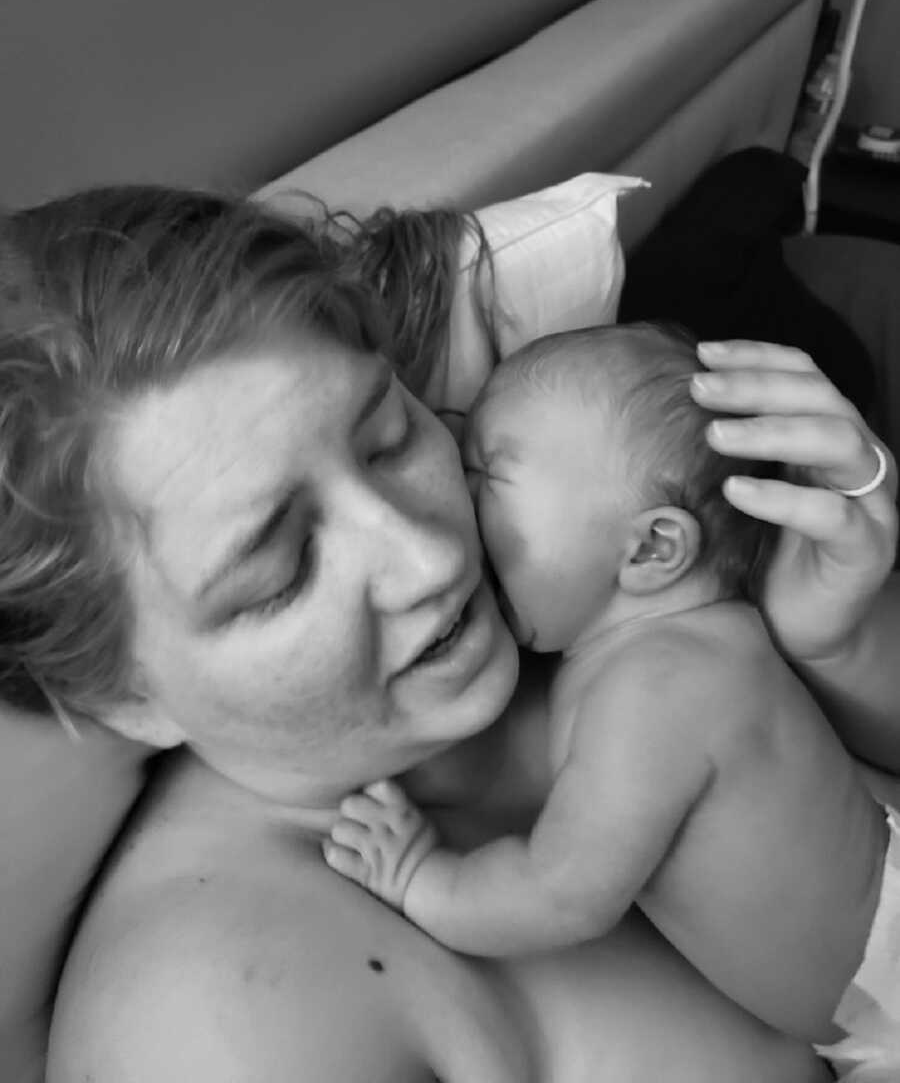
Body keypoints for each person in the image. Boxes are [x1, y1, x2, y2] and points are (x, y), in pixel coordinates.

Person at [0, 184, 887, 1083]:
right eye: (280, 573)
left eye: (389, 439)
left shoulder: (581, 589)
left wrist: (835, 640)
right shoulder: (224, 1024)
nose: (432, 556)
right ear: (120, 691)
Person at [324, 323, 898, 1074]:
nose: (452, 510)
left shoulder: (657, 686)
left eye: (488, 475)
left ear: (652, 549)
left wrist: (424, 880)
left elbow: (566, 891)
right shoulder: (698, 646)